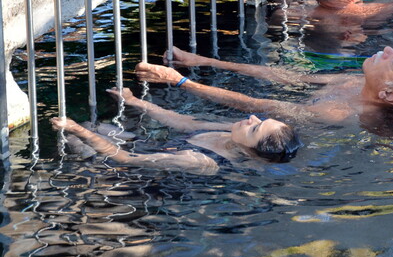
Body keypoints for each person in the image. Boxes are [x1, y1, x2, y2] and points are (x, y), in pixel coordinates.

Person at [135, 45, 393, 126]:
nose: (387, 50)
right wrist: (205, 62)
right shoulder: (354, 80)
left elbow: (257, 106)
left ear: (389, 95)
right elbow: (288, 78)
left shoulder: (338, 112)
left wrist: (180, 82)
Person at [51, 87, 301, 175]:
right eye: (261, 118)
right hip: (146, 145)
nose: (251, 117)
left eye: (255, 127)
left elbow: (126, 159)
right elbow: (184, 123)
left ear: (249, 151)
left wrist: (77, 131)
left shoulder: (201, 161)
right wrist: (135, 100)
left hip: (126, 167)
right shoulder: (233, 133)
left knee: (75, 134)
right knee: (93, 126)